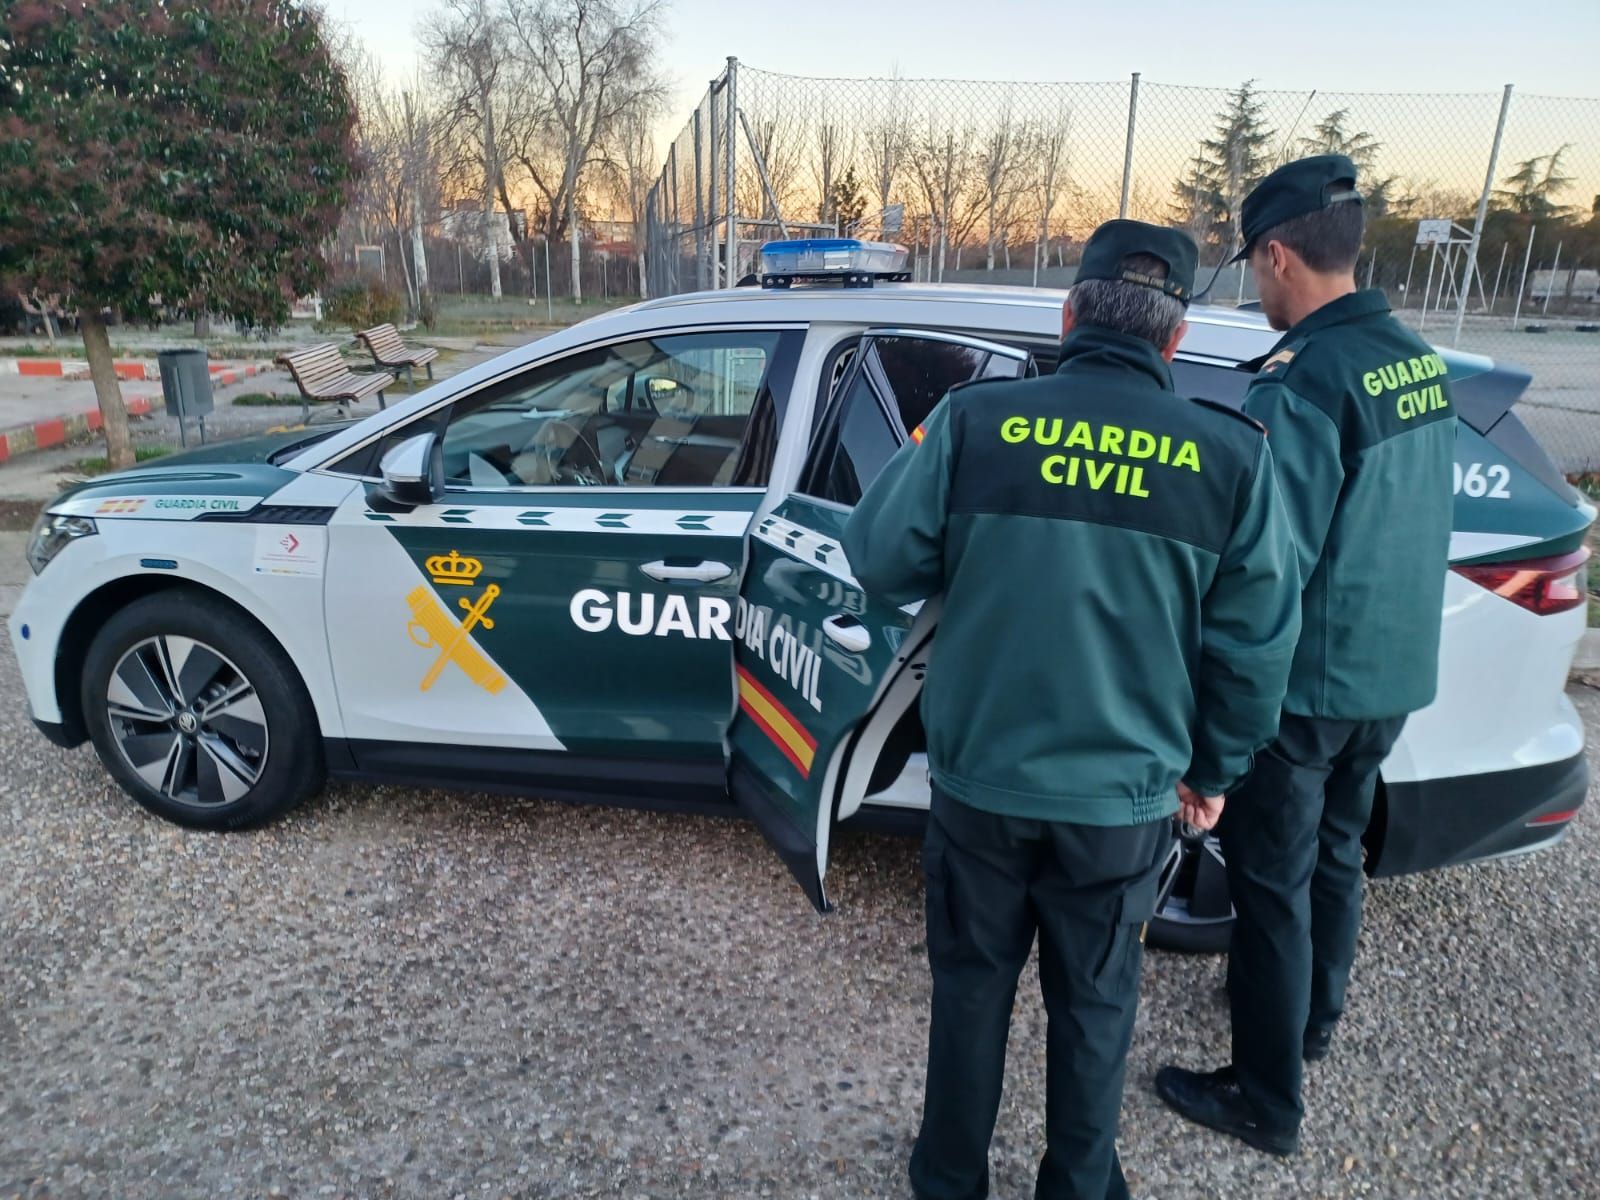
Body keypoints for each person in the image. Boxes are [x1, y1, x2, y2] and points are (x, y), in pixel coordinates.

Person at [842, 219, 1302, 1200]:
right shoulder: (1230, 457)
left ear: (1068, 316)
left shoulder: (973, 423)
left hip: (982, 783)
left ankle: (948, 1178)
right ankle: (1081, 1184)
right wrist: (1212, 770)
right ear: (1175, 338)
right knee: (1096, 1004)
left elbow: (877, 559)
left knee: (970, 991)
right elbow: (1256, 648)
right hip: (1122, 800)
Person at [1156, 155, 1459, 1156]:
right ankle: (1311, 1020)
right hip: (1389, 673)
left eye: (1255, 265)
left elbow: (1267, 569)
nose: (1258, 285)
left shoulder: (1306, 381)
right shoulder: (1415, 358)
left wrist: (1218, 721)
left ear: (1278, 255)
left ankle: (1264, 1097)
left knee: (1271, 885)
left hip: (1307, 687)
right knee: (1334, 856)